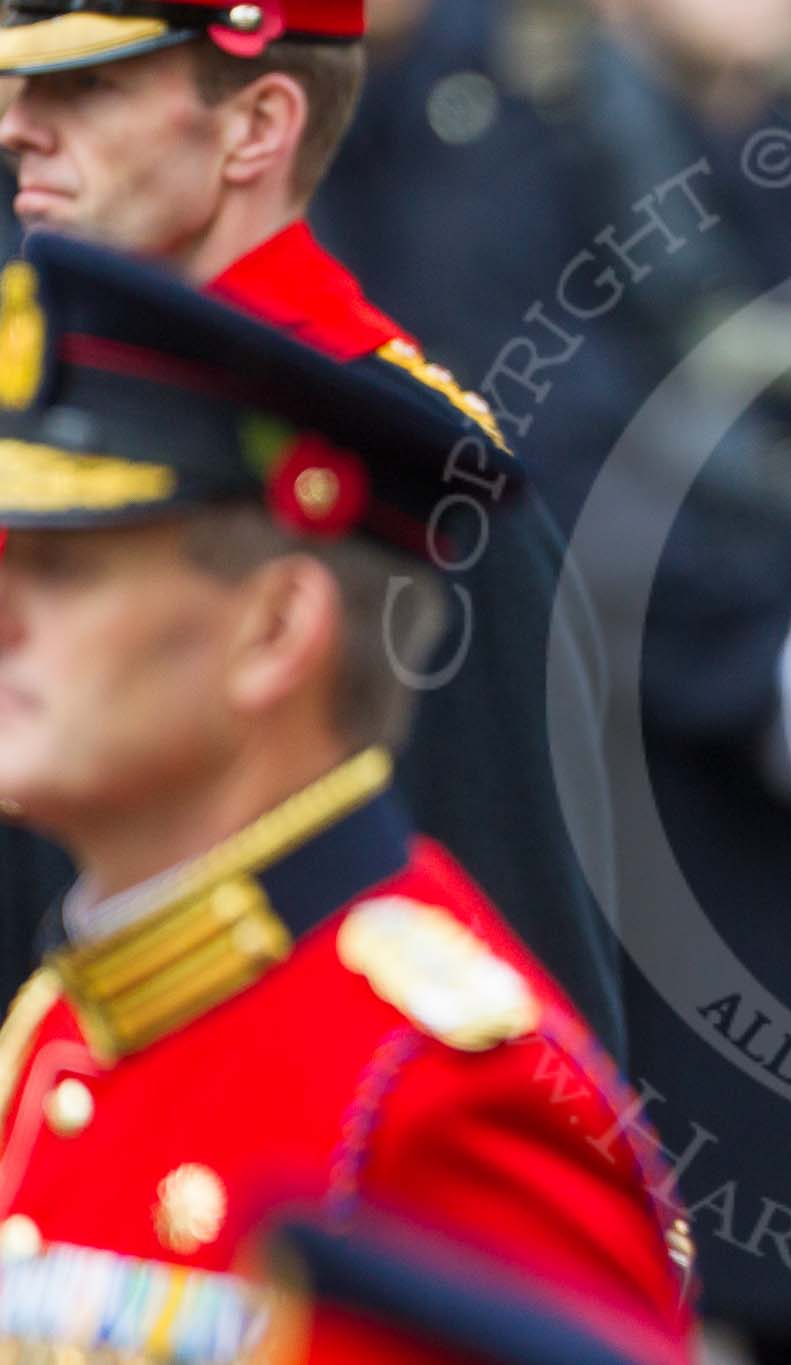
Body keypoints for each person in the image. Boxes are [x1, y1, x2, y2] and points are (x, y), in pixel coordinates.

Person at [0, 231, 692, 1362]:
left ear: (275, 631)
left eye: (65, 571)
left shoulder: (442, 1092)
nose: (4, 611)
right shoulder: (71, 1023)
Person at [0, 0, 625, 1055]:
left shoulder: (408, 482)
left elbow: (521, 1011)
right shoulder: (45, 422)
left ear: (255, 128)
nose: (19, 125)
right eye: (25, 85)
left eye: (91, 87)